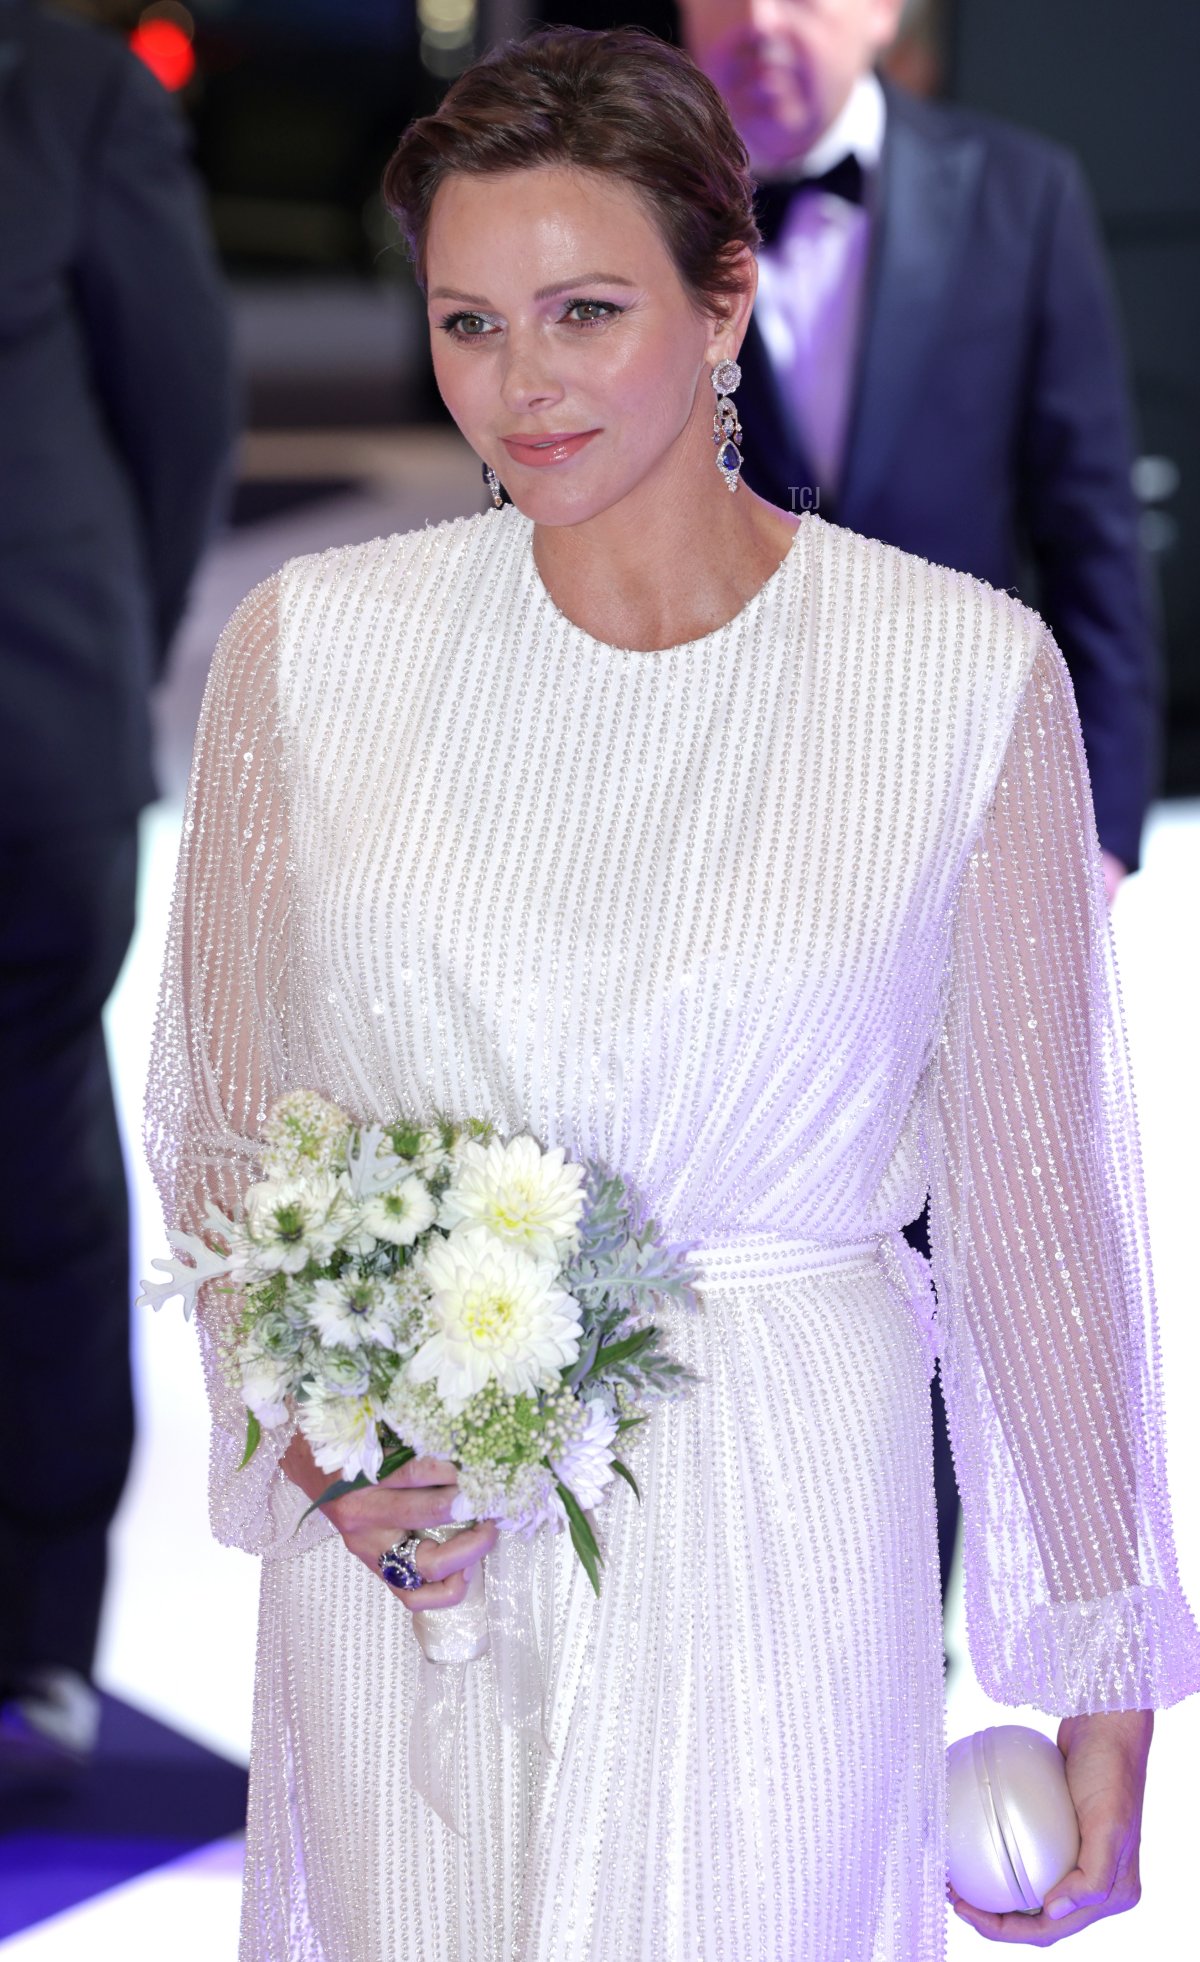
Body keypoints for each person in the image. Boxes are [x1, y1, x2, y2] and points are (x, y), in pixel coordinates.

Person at [144, 26, 1199, 1960]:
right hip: (424, 1571)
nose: (521, 384)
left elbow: (1038, 1204)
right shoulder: (312, 653)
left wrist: (1099, 1664)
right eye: (469, 324)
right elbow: (221, 1122)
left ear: (727, 298)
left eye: (585, 311)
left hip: (780, 1504)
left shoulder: (957, 679)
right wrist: (317, 1437)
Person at [675, 0, 1163, 1621]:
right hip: (701, 823)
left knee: (951, 1243)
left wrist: (1097, 827)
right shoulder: (629, 201)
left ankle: (898, 1635)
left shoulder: (1017, 193)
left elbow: (1089, 528)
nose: (764, 20)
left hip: (953, 826)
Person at [0, 0, 235, 1767]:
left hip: (25, 748)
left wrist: (99, 664)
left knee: (36, 1178)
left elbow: (181, 421)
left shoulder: (71, 96)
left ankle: (34, 1635)